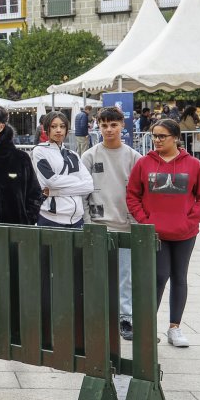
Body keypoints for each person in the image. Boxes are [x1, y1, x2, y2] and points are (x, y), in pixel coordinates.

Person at [127, 119, 200, 348]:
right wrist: (145, 221)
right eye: (155, 135)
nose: (157, 140)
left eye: (162, 136)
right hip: (155, 233)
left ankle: (174, 328)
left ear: (175, 137)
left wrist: (190, 220)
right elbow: (132, 195)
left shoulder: (193, 164)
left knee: (179, 277)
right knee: (158, 276)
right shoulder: (144, 163)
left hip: (185, 233)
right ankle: (146, 327)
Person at [81, 106, 142, 340]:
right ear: (98, 125)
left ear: (122, 126)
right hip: (98, 224)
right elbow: (82, 193)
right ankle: (98, 317)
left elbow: (140, 193)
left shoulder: (134, 157)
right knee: (98, 274)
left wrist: (135, 222)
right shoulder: (89, 156)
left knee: (126, 275)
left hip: (126, 225)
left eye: (113, 125)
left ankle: (126, 318)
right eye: (104, 125)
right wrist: (89, 222)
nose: (108, 129)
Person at [31, 111, 93, 229]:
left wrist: (55, 192)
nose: (58, 130)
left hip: (77, 219)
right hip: (50, 218)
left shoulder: (73, 154)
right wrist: (76, 181)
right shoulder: (39, 151)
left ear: (67, 130)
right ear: (46, 129)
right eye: (54, 126)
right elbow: (51, 182)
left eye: (62, 126)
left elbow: (89, 186)